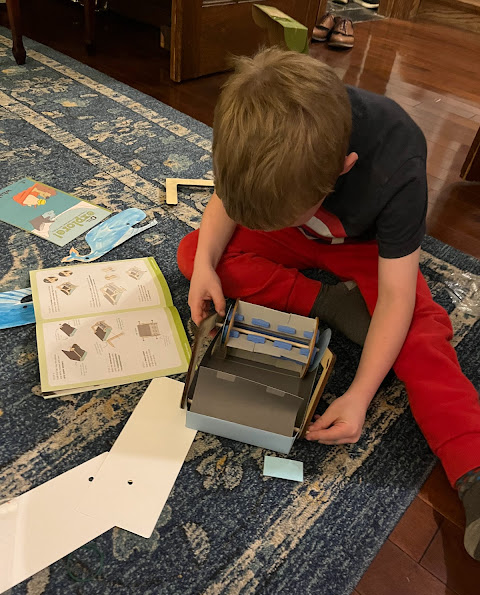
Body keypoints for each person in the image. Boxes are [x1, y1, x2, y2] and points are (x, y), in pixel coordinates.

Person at [177, 47, 480, 560]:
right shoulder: (263, 126)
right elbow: (227, 202)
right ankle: (331, 303)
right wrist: (207, 262)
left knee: (418, 330)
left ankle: (473, 466)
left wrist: (360, 394)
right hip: (298, 228)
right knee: (193, 252)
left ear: (345, 169)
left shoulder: (397, 160)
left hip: (367, 248)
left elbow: (397, 295)